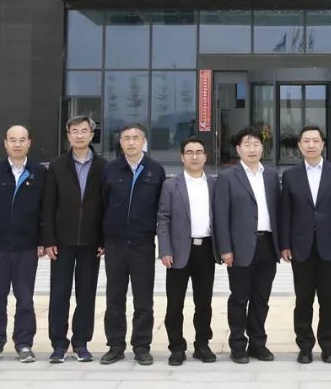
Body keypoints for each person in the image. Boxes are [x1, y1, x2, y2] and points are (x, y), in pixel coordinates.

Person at [280, 125, 331, 364]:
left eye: (315, 140)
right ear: (299, 146)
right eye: (306, 141)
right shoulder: (290, 175)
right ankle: (305, 346)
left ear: (323, 144)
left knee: (328, 300)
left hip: (330, 245)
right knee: (303, 300)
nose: (311, 144)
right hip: (300, 246)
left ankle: (328, 346)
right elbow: (285, 212)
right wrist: (285, 244)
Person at [99, 123, 166, 366]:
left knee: (143, 300)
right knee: (114, 298)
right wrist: (102, 239)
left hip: (142, 244)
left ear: (144, 141)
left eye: (136, 137)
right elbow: (101, 206)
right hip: (115, 244)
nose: (131, 142)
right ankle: (115, 346)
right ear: (120, 142)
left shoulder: (155, 170)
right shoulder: (110, 170)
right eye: (126, 138)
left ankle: (142, 346)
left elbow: (161, 209)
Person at [0, 125, 45, 364]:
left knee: (25, 299)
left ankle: (24, 344)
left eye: (22, 140)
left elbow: (45, 210)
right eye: (12, 140)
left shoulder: (39, 173)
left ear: (29, 143)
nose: (17, 144)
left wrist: (43, 240)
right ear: (5, 143)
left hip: (26, 247)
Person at [41, 114, 105, 363]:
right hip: (62, 242)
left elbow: (107, 206)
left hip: (91, 242)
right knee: (59, 294)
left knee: (86, 294)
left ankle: (81, 342)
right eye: (74, 131)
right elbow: (48, 205)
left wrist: (103, 239)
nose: (79, 135)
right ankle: (58, 343)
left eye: (84, 130)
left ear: (92, 134)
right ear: (68, 135)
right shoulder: (57, 166)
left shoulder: (103, 166)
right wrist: (48, 240)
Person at [214, 127, 281, 364]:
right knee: (239, 298)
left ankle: (258, 344)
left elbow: (278, 212)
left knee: (261, 298)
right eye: (247, 145)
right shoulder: (228, 177)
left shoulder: (271, 175)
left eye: (256, 144)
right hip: (239, 248)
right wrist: (225, 249)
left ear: (262, 148)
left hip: (267, 245)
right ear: (238, 149)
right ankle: (238, 345)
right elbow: (221, 216)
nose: (252, 149)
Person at [158, 137, 219, 366]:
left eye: (199, 152)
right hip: (178, 252)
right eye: (190, 152)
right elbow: (163, 219)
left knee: (204, 303)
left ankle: (202, 345)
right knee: (175, 304)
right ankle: (176, 347)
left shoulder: (214, 184)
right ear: (182, 157)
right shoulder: (171, 185)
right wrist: (165, 249)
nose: (195, 156)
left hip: (206, 250)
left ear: (205, 157)